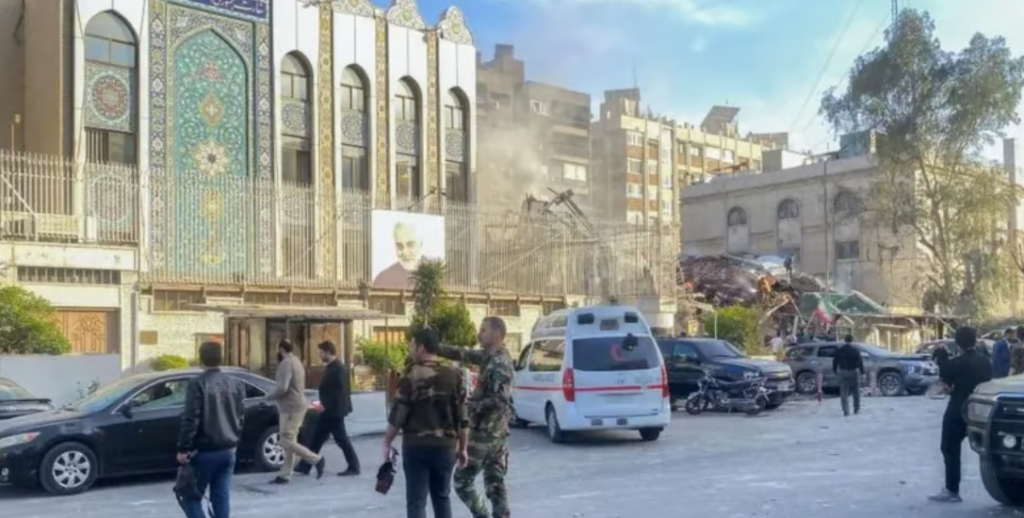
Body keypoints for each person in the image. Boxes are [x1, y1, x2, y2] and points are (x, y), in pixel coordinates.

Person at [382, 328, 469, 518]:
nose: (410, 348)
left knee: (416, 501)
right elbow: (463, 416)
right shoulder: (455, 374)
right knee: (442, 497)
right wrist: (463, 447)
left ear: (421, 347)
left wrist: (387, 441)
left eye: (412, 344)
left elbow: (399, 414)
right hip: (445, 447)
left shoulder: (410, 374)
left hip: (416, 447)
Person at [436, 316, 515, 518]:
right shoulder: (488, 356)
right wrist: (436, 347)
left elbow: (499, 400)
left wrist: (471, 406)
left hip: (487, 433)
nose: (479, 334)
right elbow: (463, 353)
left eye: (484, 330)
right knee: (495, 480)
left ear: (496, 333)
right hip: (495, 431)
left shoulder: (499, 362)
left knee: (462, 481)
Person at [176, 341, 246, 518]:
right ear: (221, 358)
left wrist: (183, 448)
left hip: (205, 450)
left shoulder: (197, 384)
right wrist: (235, 438)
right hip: (229, 448)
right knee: (221, 497)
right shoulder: (236, 384)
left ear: (201, 359)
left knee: (189, 496)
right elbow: (241, 416)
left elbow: (191, 418)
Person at [929, 326, 992, 503]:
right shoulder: (985, 361)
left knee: (949, 447)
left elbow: (945, 374)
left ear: (958, 342)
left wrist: (941, 353)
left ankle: (952, 489)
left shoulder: (957, 362)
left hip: (958, 409)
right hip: (980, 410)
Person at [295, 340, 360, 477]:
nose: (320, 355)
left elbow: (340, 392)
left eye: (321, 353)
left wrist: (325, 405)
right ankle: (305, 465)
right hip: (328, 412)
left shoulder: (338, 368)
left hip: (334, 412)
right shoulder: (332, 367)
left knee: (341, 440)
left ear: (329, 352)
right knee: (317, 439)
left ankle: (354, 466)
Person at [267, 340, 324, 484]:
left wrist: (269, 396)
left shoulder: (286, 363)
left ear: (281, 349)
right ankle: (285, 475)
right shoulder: (297, 361)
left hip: (290, 408)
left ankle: (316, 459)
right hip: (296, 405)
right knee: (290, 440)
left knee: (285, 440)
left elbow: (283, 387)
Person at [373, 221, 424, 290]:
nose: (405, 252)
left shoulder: (431, 277)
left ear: (421, 244)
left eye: (411, 245)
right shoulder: (383, 279)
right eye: (399, 246)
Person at [832, 334, 864, 417]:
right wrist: (862, 372)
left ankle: (846, 411)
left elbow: (835, 361)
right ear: (852, 340)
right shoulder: (855, 350)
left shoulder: (840, 350)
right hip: (853, 371)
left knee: (844, 392)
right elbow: (860, 362)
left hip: (843, 371)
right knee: (855, 392)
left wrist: (835, 370)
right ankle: (856, 409)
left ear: (845, 340)